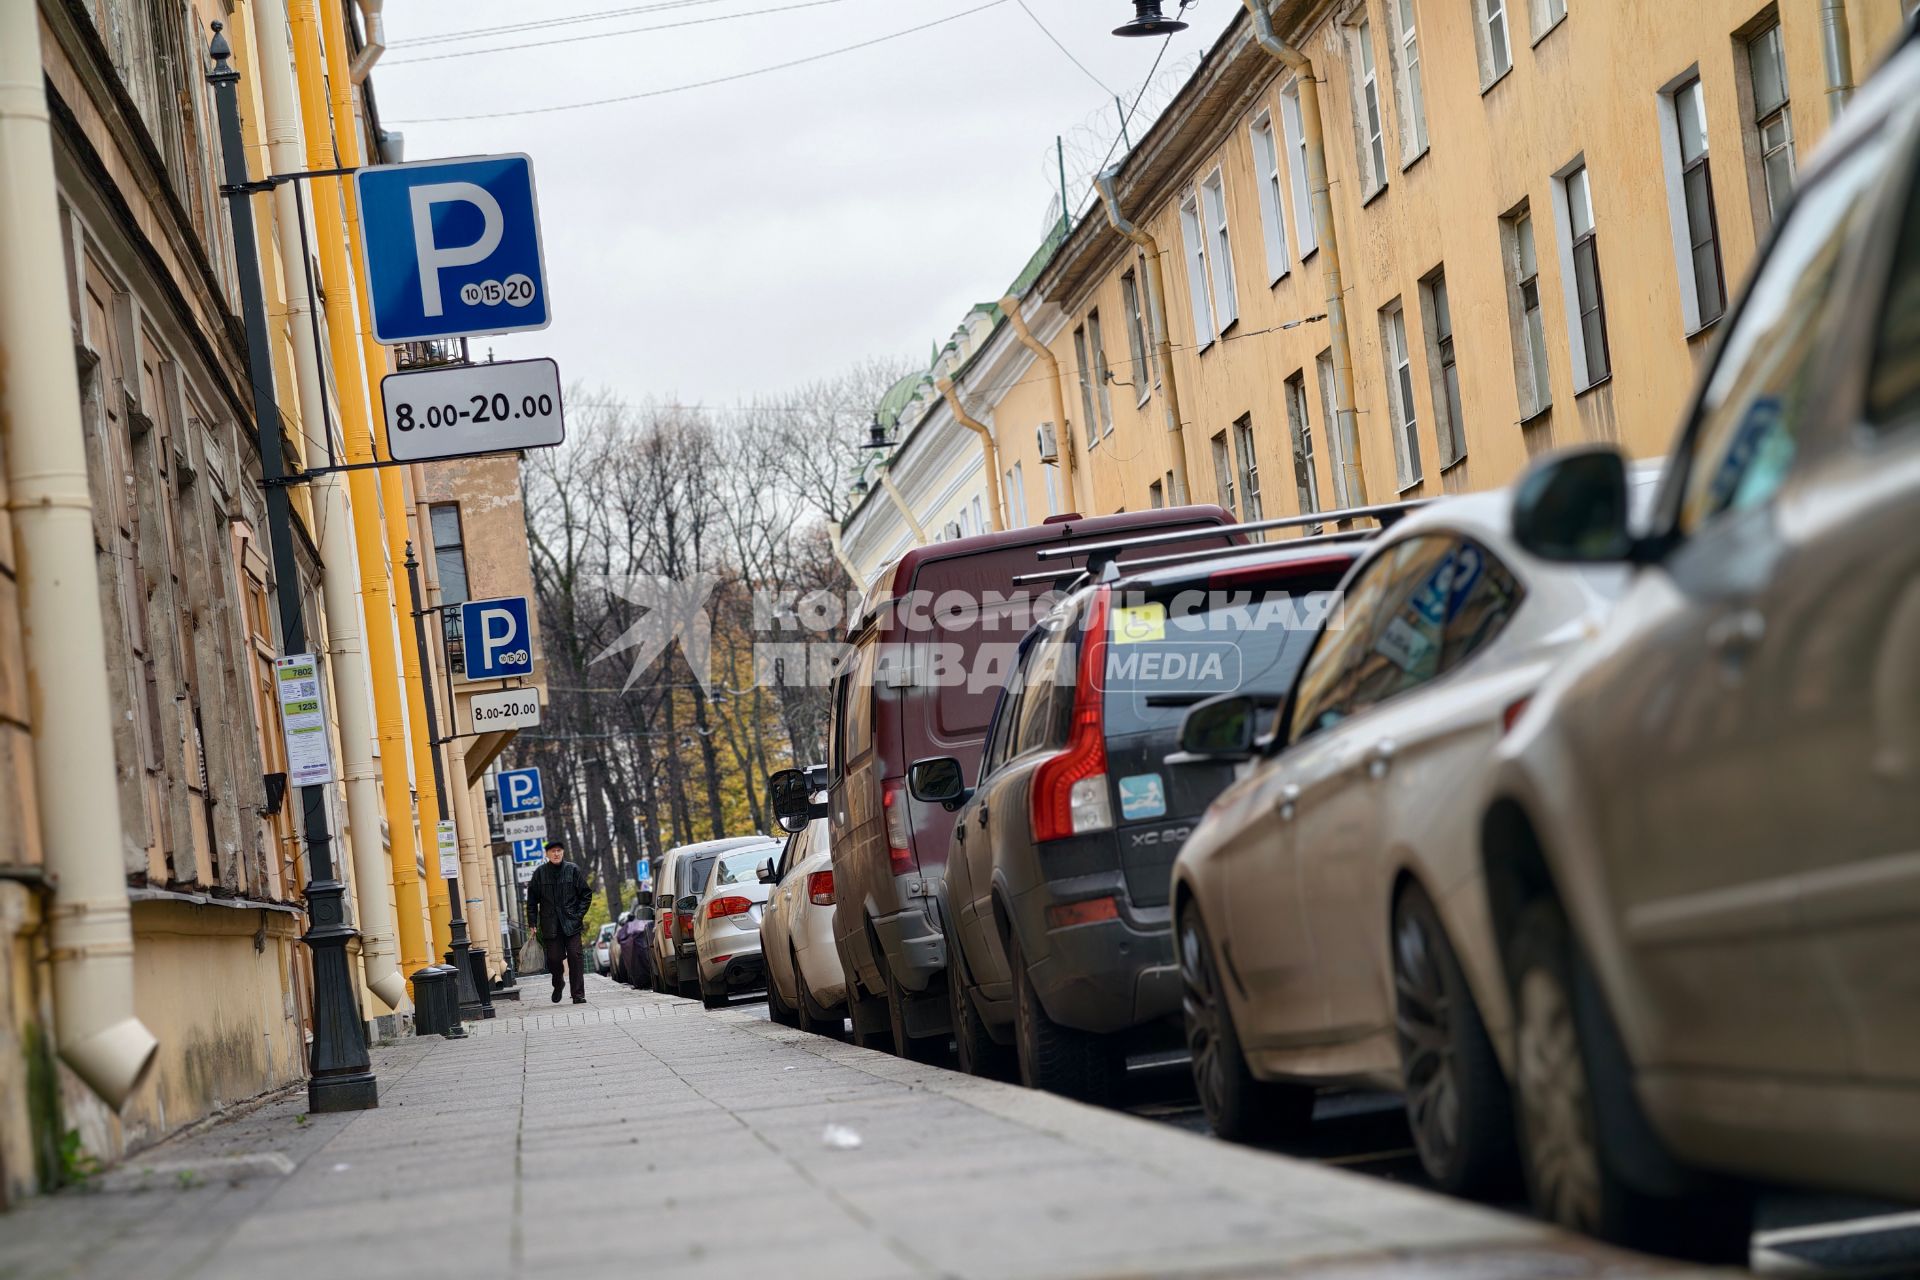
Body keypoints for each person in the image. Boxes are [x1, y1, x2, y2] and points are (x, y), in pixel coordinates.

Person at [524, 839, 591, 1004]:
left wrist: (578, 915)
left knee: (575, 956)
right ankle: (558, 982)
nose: (556, 854)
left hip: (571, 923)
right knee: (554, 959)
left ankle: (578, 994)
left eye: (559, 851)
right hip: (550, 924)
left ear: (563, 852)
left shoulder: (572, 870)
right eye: (553, 851)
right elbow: (532, 900)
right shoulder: (540, 873)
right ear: (547, 854)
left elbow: (586, 894)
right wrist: (532, 923)